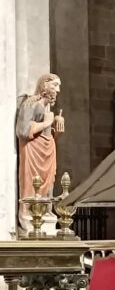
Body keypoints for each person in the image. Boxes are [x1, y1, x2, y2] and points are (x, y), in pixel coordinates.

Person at [15, 73, 65, 233]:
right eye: (55, 85)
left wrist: (57, 128)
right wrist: (47, 122)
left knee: (49, 180)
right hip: (33, 149)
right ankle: (29, 211)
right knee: (31, 179)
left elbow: (47, 133)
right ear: (45, 85)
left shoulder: (46, 107)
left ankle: (45, 209)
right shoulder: (30, 103)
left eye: (58, 86)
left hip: (47, 149)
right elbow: (22, 130)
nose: (57, 90)